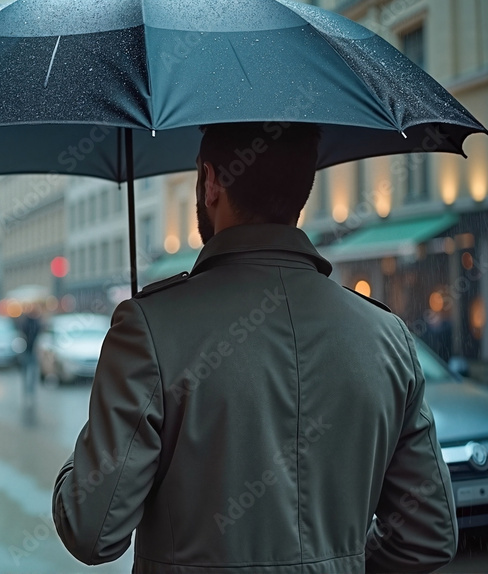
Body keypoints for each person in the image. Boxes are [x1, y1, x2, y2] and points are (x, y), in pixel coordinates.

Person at [52, 123, 457, 574]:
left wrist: (90, 453)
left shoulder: (149, 327)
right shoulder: (389, 336)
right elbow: (428, 535)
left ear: (210, 182)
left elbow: (91, 530)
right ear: (304, 188)